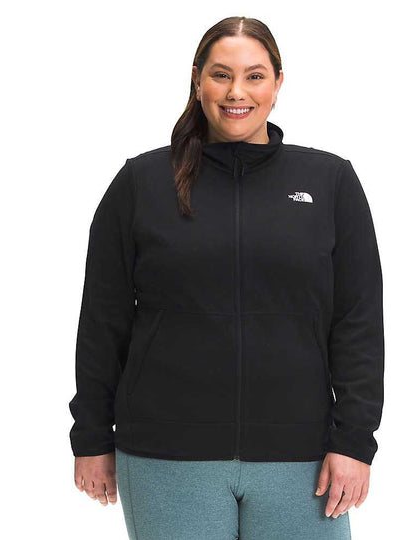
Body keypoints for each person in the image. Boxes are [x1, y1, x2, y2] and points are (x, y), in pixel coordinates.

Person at [69, 15, 384, 540]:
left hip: (300, 457)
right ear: (198, 81)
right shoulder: (141, 184)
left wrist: (354, 441)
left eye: (255, 76)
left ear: (278, 82)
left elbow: (358, 322)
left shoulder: (330, 182)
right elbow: (103, 321)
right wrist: (91, 437)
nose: (237, 92)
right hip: (167, 456)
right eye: (221, 75)